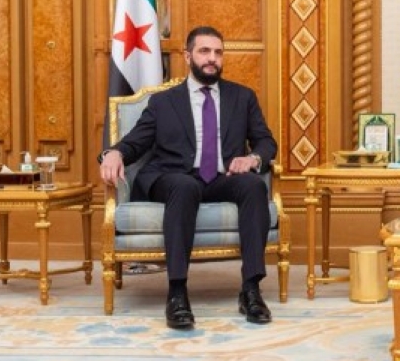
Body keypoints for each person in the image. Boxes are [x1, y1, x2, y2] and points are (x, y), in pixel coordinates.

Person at [99, 25, 278, 330]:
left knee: (252, 185)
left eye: (218, 53)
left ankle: (251, 289)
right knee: (185, 186)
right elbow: (136, 141)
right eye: (204, 51)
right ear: (187, 56)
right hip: (173, 176)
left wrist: (253, 159)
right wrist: (113, 153)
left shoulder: (242, 97)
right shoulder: (163, 102)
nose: (212, 59)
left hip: (221, 176)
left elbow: (265, 141)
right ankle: (177, 293)